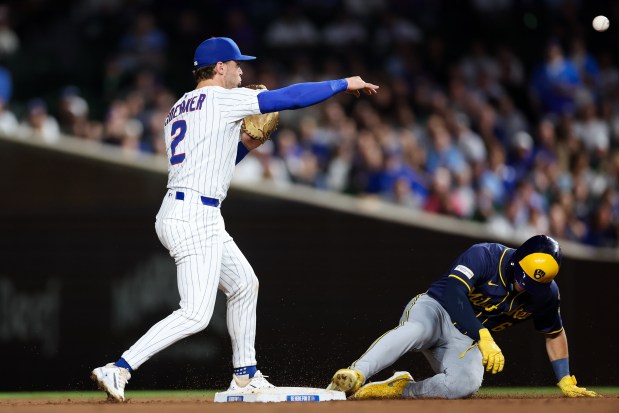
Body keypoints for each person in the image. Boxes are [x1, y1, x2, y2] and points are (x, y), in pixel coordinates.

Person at [91, 36, 378, 402]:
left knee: (244, 284)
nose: (242, 70)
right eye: (237, 64)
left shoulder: (177, 108)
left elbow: (212, 163)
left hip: (190, 209)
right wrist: (343, 83)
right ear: (220, 67)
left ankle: (245, 376)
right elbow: (289, 98)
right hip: (194, 214)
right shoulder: (221, 99)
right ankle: (119, 367)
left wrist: (246, 146)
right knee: (195, 314)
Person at [327, 235, 599, 399]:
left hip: (465, 339)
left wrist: (563, 377)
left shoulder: (546, 294)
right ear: (517, 260)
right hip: (436, 310)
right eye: (522, 279)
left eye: (533, 284)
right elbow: (455, 293)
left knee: (466, 384)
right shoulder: (486, 255)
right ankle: (356, 373)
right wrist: (483, 334)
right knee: (414, 330)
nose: (522, 287)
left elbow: (553, 332)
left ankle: (402, 388)